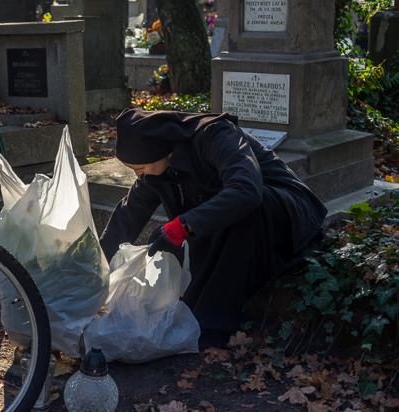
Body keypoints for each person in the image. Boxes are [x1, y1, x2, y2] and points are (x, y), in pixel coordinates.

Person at [99, 108, 328, 349]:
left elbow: (247, 190)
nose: (138, 174)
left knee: (229, 207)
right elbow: (129, 214)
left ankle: (214, 324)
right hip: (235, 215)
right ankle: (198, 316)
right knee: (198, 222)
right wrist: (97, 266)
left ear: (159, 151)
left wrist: (184, 225)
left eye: (140, 167)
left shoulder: (215, 135)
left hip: (282, 213)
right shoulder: (156, 166)